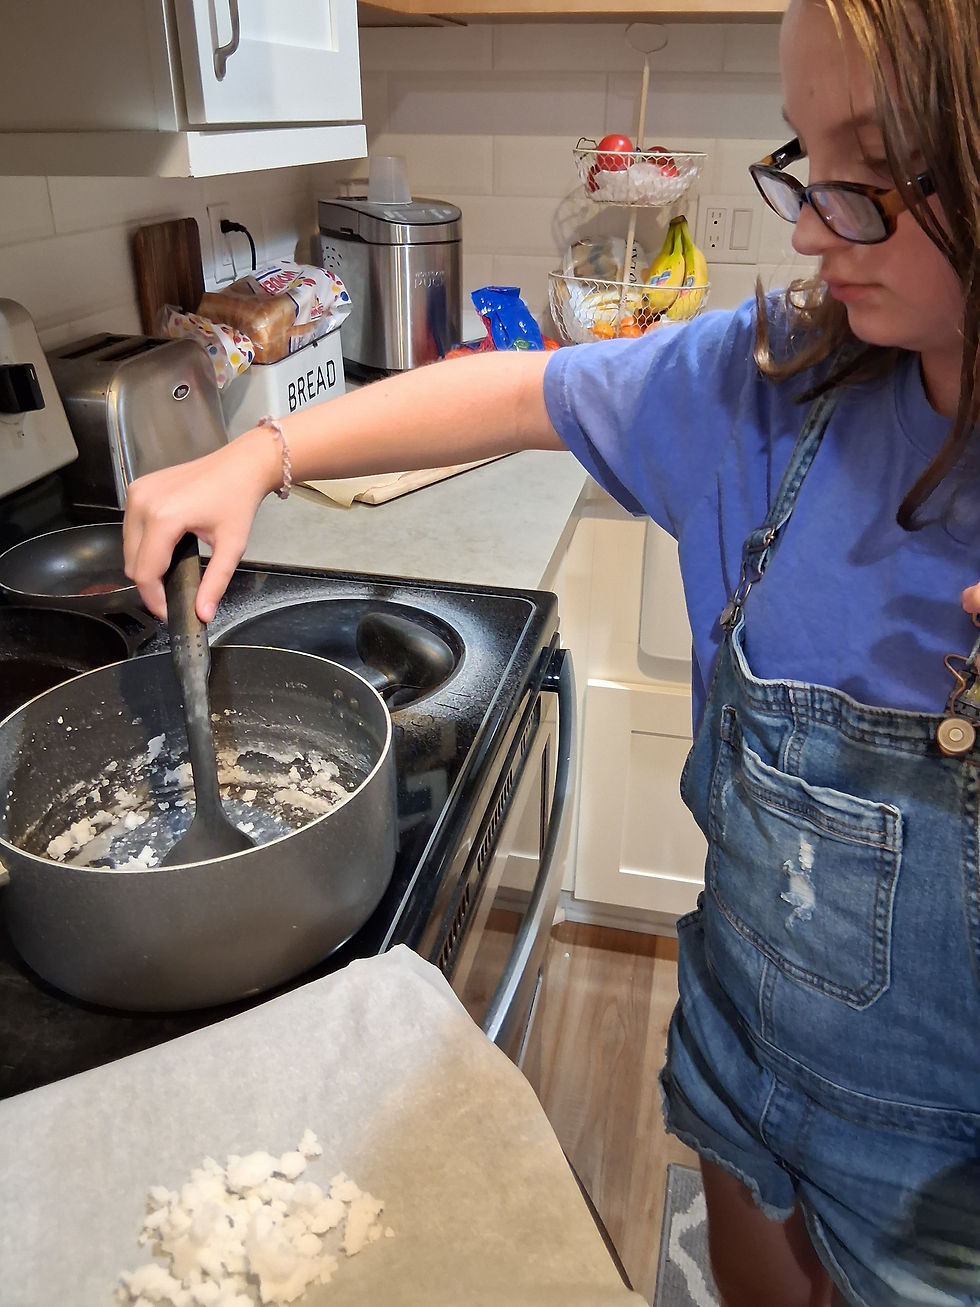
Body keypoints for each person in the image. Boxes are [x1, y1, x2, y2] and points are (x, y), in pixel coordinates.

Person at [123, 0, 980, 1303]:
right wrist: (261, 452)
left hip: (945, 1184)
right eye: (807, 162)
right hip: (739, 1065)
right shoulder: (768, 382)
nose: (811, 228)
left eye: (872, 174)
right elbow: (522, 389)